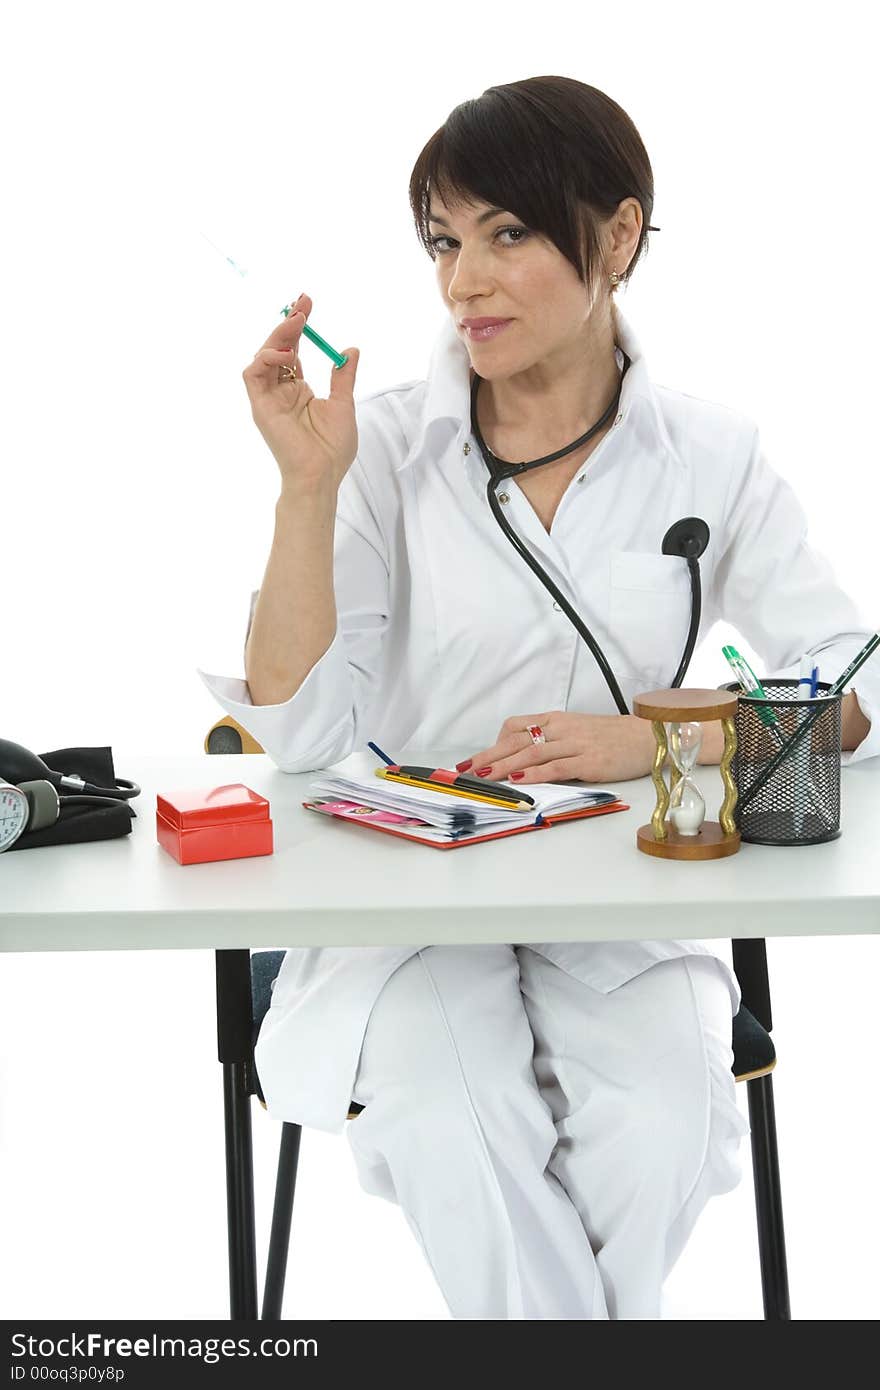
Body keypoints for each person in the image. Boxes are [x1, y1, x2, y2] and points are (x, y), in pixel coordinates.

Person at [197, 76, 878, 1318]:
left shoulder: (709, 453)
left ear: (615, 237)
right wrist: (307, 488)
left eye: (507, 234)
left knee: (666, 1115)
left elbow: (848, 685)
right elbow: (296, 733)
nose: (463, 281)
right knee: (457, 1112)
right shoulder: (381, 446)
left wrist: (651, 737)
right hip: (400, 907)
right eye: (445, 242)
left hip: (620, 899)